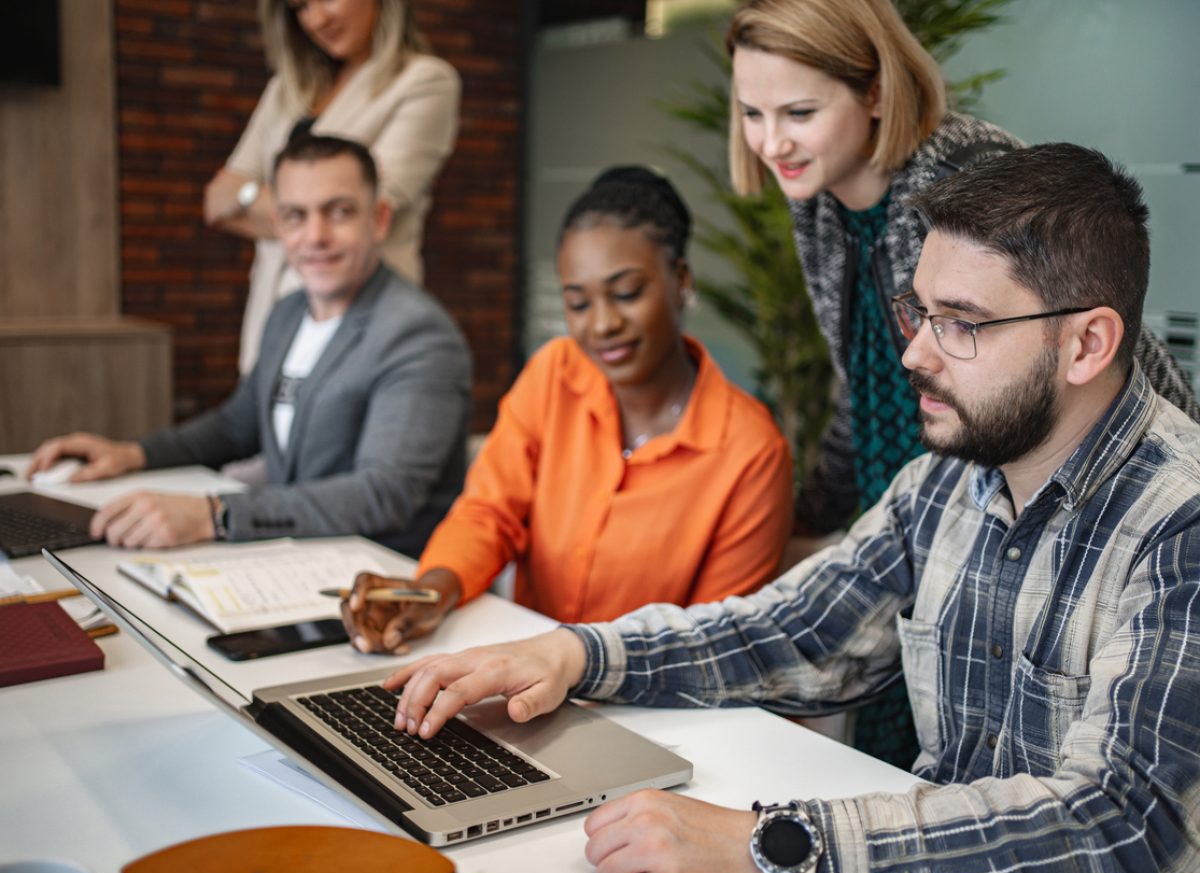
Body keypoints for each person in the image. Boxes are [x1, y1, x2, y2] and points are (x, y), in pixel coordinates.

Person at [380, 146, 1200, 873]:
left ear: (1087, 344)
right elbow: (796, 632)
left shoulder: (1180, 522)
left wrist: (775, 850)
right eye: (918, 313)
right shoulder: (943, 485)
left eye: (962, 323)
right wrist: (573, 652)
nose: (913, 353)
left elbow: (1119, 827)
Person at [725, 0, 1200, 767]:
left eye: (800, 111)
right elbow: (866, 385)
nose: (771, 140)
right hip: (926, 499)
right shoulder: (818, 202)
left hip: (1062, 509)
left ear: (875, 92)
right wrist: (805, 517)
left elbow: (1082, 373)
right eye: (751, 111)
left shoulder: (960, 187)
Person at [341, 167, 793, 654]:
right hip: (525, 684)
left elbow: (711, 645)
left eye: (626, 294)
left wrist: (573, 668)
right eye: (578, 303)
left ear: (681, 280)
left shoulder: (750, 451)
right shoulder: (555, 372)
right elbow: (489, 514)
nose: (602, 325)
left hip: (655, 711)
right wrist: (428, 591)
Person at [27, 135, 470, 557]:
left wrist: (215, 514)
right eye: (296, 215)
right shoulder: (288, 313)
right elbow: (237, 426)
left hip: (381, 580)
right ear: (278, 225)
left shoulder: (418, 333)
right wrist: (132, 454)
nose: (315, 236)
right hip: (293, 556)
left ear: (379, 220)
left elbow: (383, 494)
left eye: (339, 212)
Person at [205, 0, 459, 372]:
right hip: (269, 318)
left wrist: (250, 200)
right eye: (300, 6)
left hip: (359, 321)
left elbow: (363, 214)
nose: (316, 19)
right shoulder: (287, 90)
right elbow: (216, 201)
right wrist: (244, 193)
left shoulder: (424, 81)